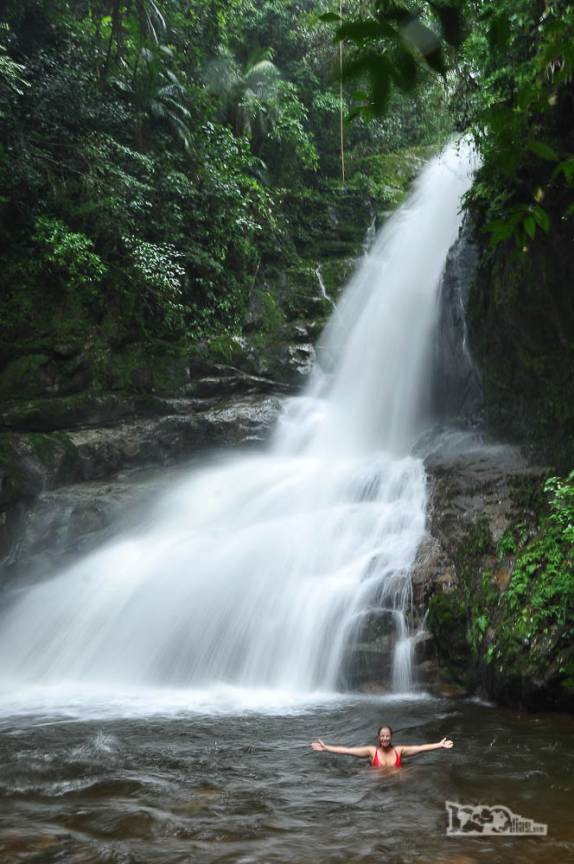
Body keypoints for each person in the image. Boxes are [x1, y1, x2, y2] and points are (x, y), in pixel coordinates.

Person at [311, 724, 454, 769]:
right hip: (378, 786)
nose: (385, 738)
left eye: (387, 735)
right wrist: (327, 748)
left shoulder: (399, 750)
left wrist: (440, 745)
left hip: (397, 787)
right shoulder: (371, 751)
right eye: (382, 736)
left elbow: (420, 748)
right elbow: (348, 751)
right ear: (379, 738)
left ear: (391, 737)